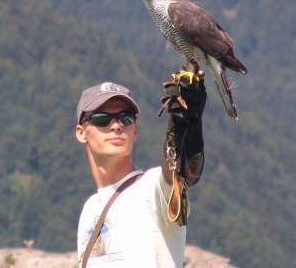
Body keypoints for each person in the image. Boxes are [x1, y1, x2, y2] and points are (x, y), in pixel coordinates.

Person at [75, 67, 206, 267]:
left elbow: (182, 172)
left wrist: (185, 125)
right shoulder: (89, 209)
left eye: (125, 118)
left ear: (135, 129)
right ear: (81, 132)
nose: (116, 126)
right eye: (102, 119)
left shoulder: (152, 187)